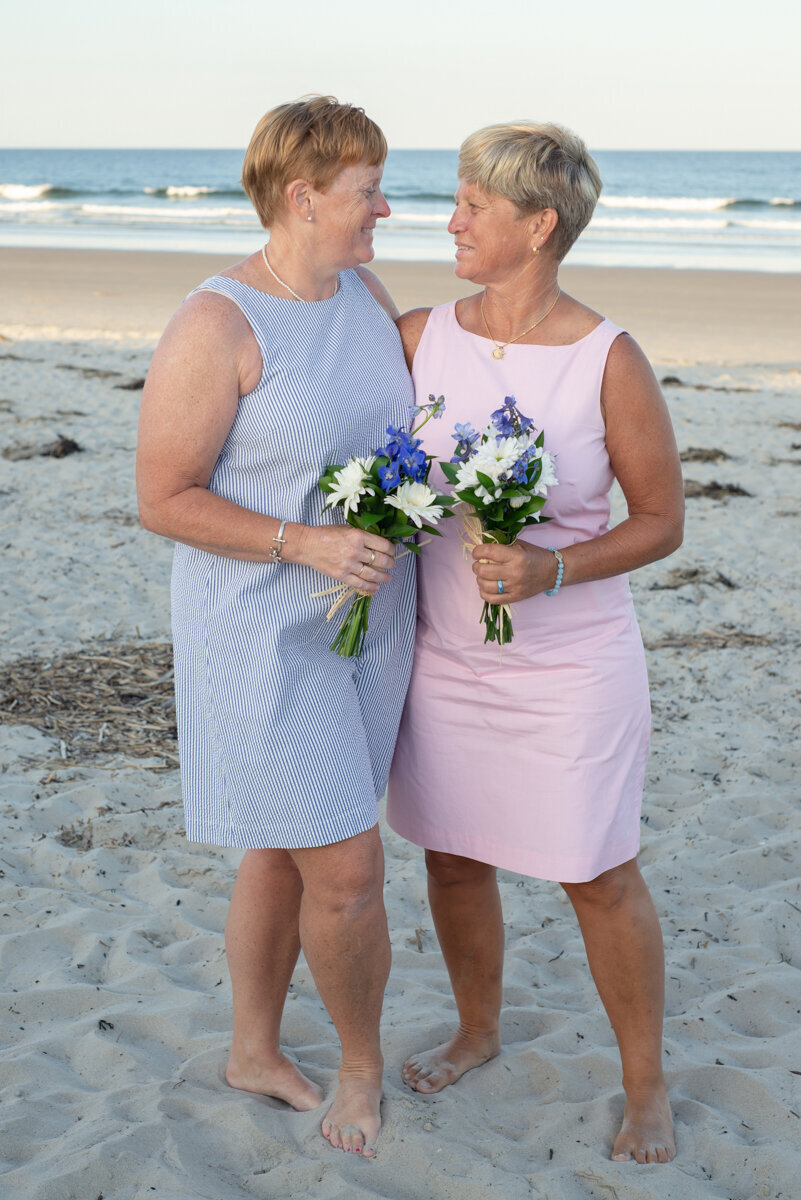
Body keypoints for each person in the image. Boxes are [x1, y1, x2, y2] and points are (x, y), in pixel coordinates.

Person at [387, 121, 684, 1165]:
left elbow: (659, 521)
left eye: (474, 204)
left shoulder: (611, 359)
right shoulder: (422, 332)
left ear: (539, 223)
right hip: (443, 653)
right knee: (454, 858)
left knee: (597, 872)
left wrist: (552, 567)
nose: (453, 219)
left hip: (569, 665)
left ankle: (646, 1088)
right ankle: (478, 1028)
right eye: (456, 199)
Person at [136, 96, 416, 1159]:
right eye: (365, 192)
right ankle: (359, 1066)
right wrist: (306, 546)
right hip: (260, 629)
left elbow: (394, 443)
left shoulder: (364, 293)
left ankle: (252, 1047)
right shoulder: (218, 324)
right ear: (303, 198)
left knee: (281, 846)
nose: (384, 209)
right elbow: (164, 496)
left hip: (372, 621)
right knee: (345, 867)